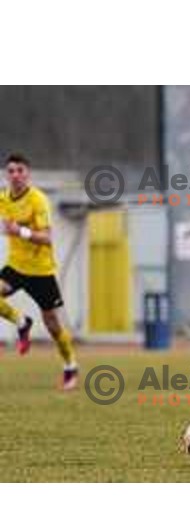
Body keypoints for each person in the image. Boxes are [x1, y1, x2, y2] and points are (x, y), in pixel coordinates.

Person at [0, 152, 78, 390]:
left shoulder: (38, 200)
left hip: (41, 272)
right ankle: (21, 321)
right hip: (16, 266)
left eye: (20, 170)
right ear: (6, 174)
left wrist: (20, 232)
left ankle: (70, 365)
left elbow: (47, 239)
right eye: (11, 171)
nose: (15, 175)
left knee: (53, 326)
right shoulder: (3, 198)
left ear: (28, 174)